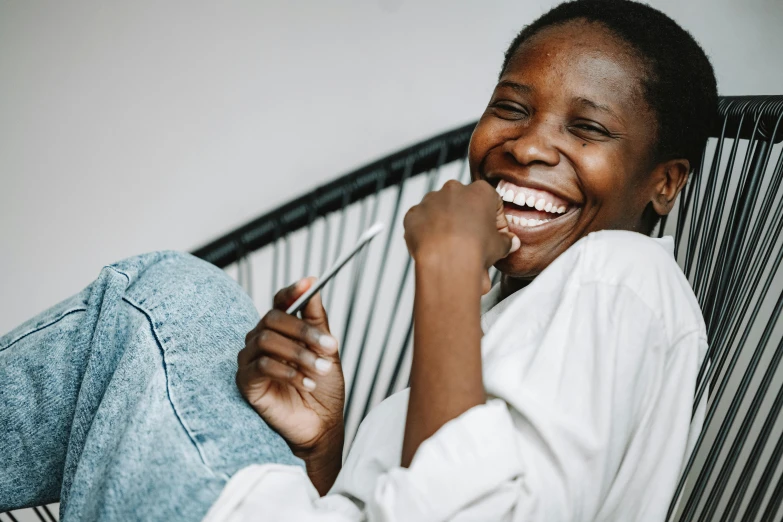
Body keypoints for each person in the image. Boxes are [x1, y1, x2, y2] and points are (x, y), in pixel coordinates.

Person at [0, 0, 717, 520]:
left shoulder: (622, 275)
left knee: (160, 297)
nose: (528, 145)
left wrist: (445, 261)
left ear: (665, 181)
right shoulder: (555, 302)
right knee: (160, 304)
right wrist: (322, 447)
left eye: (586, 127)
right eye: (510, 107)